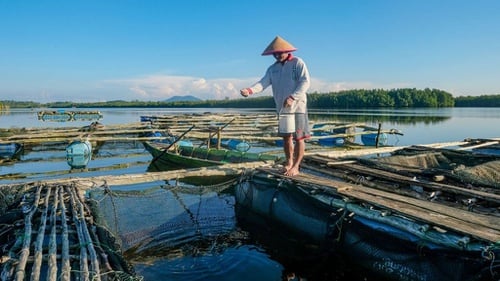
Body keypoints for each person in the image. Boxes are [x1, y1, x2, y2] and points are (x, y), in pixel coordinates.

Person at [240, 36, 311, 176]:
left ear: (286, 51)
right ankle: (289, 162)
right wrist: (249, 90)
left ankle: (296, 167)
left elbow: (305, 82)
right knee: (286, 137)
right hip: (283, 108)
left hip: (298, 107)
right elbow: (263, 83)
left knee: (299, 137)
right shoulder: (272, 69)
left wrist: (292, 97)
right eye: (275, 54)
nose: (277, 55)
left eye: (280, 53)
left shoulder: (297, 63)